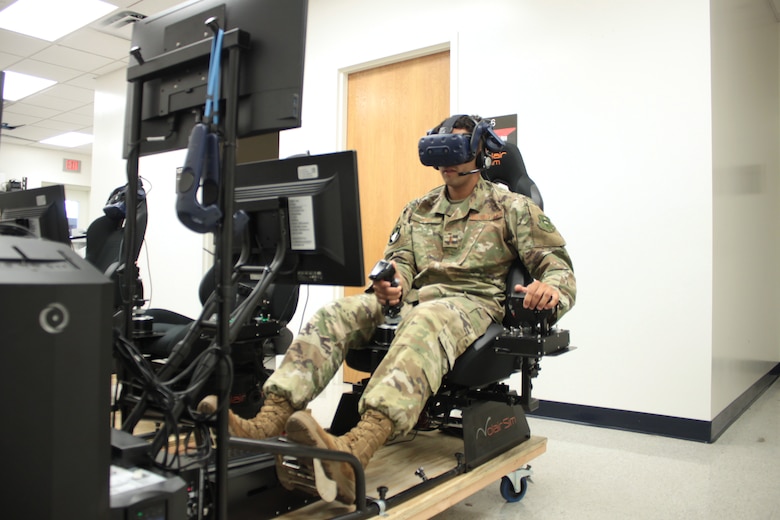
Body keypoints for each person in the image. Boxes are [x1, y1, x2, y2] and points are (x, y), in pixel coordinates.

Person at [200, 114, 576, 504]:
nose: (446, 162)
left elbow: (559, 269)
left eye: (456, 150)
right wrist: (392, 281)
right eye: (440, 152)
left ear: (480, 153)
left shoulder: (512, 207)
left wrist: (548, 289)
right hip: (412, 301)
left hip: (470, 306)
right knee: (335, 314)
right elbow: (401, 262)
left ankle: (356, 450)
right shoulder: (419, 209)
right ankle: (267, 422)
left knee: (425, 320)